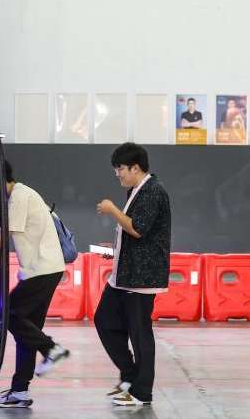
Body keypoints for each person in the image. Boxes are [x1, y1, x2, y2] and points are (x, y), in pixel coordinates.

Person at [0, 159, 70, 409]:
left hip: (41, 270)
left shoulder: (19, 196)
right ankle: (20, 391)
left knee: (8, 315)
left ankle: (51, 349)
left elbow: (4, 237)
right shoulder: (22, 194)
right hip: (45, 269)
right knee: (27, 331)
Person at [94, 142, 171, 407]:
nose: (117, 174)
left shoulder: (153, 191)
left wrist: (112, 209)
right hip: (124, 274)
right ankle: (129, 375)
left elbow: (138, 228)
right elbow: (133, 233)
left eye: (120, 169)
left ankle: (142, 392)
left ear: (135, 168)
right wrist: (115, 248)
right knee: (104, 320)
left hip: (141, 278)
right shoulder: (136, 191)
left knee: (140, 333)